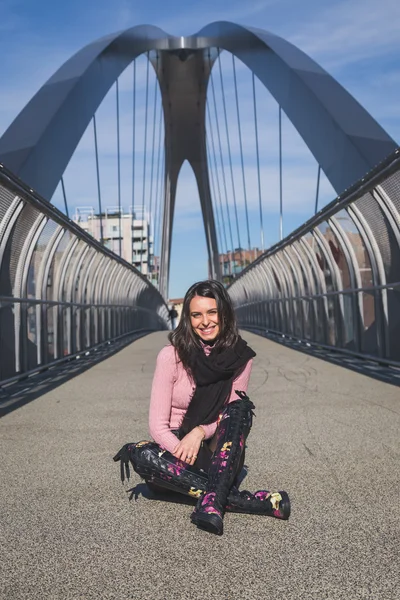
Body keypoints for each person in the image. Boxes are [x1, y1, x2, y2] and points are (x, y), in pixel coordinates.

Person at [114, 280, 290, 535]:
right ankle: (237, 500)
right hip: (177, 451)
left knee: (240, 408)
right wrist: (182, 449)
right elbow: (157, 426)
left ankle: (208, 495)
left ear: (224, 314)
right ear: (188, 319)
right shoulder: (172, 355)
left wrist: (199, 433)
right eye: (196, 315)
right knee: (141, 454)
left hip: (219, 450)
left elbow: (230, 415)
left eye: (212, 312)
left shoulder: (239, 357)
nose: (204, 321)